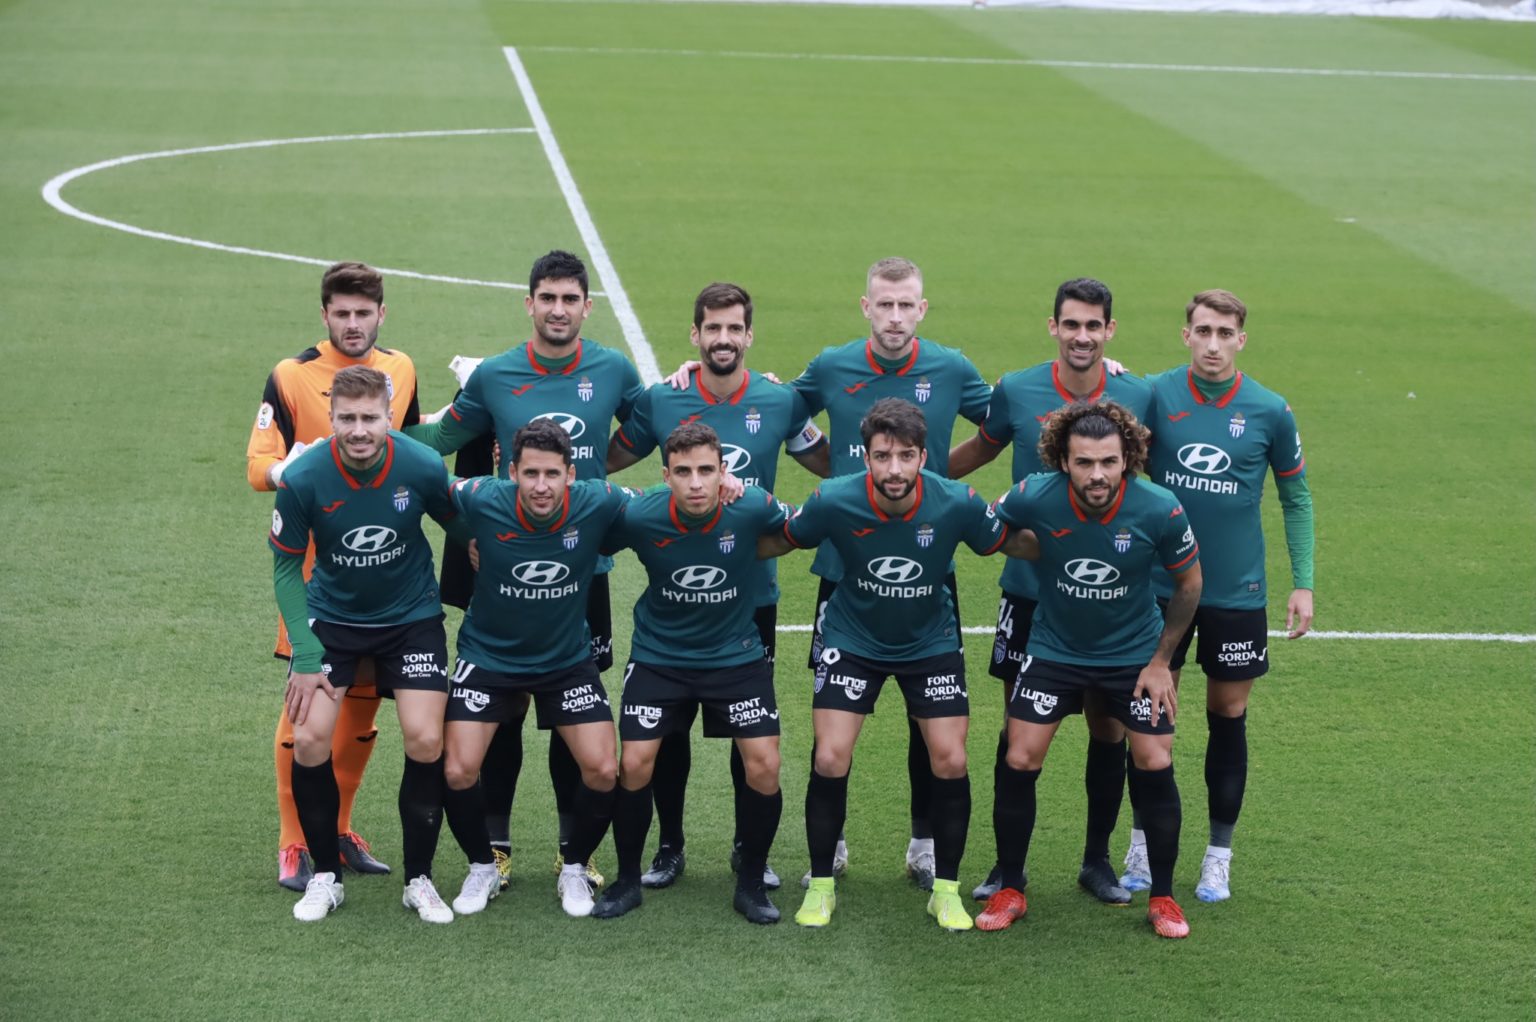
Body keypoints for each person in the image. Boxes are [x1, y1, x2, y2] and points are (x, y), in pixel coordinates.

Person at [407, 250, 642, 891]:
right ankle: (497, 848)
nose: (558, 310)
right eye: (548, 298)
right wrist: (373, 428)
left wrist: (600, 471)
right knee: (501, 711)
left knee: (574, 711)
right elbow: (444, 441)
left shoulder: (613, 368)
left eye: (570, 299)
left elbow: (652, 426)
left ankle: (573, 852)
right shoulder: (495, 374)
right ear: (529, 303)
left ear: (586, 306)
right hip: (504, 556)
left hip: (581, 566)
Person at [760, 398, 1034, 931]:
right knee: (830, 756)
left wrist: (1081, 539)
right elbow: (781, 538)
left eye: (906, 456)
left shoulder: (955, 501)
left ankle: (946, 892)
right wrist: (711, 536)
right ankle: (821, 886)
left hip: (929, 642)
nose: (894, 469)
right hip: (852, 637)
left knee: (950, 758)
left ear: (923, 457)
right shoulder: (834, 499)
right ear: (865, 457)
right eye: (882, 456)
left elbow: (1012, 543)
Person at [607, 283, 828, 891]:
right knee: (668, 731)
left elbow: (830, 466)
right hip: (678, 603)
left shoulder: (780, 400)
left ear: (749, 335)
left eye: (734, 328)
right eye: (713, 328)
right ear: (695, 335)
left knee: (748, 733)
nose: (723, 339)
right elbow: (609, 459)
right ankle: (669, 847)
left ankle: (745, 849)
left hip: (752, 598)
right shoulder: (663, 398)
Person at [784, 257, 992, 890]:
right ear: (866, 307)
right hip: (844, 566)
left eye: (906, 305)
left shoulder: (952, 368)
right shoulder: (832, 365)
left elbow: (1002, 425)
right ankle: (832, 844)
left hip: (927, 567)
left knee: (928, 721)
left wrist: (939, 477)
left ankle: (925, 844)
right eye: (885, 305)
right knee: (833, 721)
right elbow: (780, 411)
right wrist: (836, 476)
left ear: (922, 309)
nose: (895, 317)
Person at [948, 277, 1151, 905]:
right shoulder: (1017, 388)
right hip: (1030, 593)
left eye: (1093, 325)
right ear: (1053, 327)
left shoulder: (1138, 393)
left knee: (1108, 729)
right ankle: (1006, 868)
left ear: (1109, 330)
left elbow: (1157, 485)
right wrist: (920, 484)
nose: (1081, 336)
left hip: (1109, 599)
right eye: (1072, 324)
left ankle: (1097, 861)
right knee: (1018, 730)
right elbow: (979, 449)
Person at [1118, 289, 1314, 903]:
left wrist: (1303, 582)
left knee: (1228, 717)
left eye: (1225, 333)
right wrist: (1111, 373)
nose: (1212, 344)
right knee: (1150, 722)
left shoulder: (1270, 411)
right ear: (1186, 335)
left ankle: (1217, 856)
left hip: (1237, 593)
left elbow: (1296, 498)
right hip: (1160, 588)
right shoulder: (1154, 394)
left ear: (1241, 340)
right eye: (1203, 331)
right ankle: (1142, 845)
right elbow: (1101, 423)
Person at [984, 400, 1201, 939]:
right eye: (1084, 462)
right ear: (1064, 461)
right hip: (1054, 649)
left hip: (1133, 654)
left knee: (1153, 758)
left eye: (1108, 461)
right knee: (1019, 755)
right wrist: (1034, 547)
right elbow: (987, 529)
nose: (1097, 474)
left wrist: (1161, 662)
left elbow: (1190, 583)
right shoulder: (1035, 494)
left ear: (1127, 458)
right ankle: (1011, 885)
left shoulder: (1160, 508)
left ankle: (1163, 896)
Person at [246, 261, 419, 891]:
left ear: (381, 314)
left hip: (383, 582)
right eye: (341, 313)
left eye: (362, 313)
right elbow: (257, 464)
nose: (352, 323)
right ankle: (294, 842)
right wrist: (286, 470)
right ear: (324, 314)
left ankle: (339, 830)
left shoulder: (400, 370)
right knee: (307, 710)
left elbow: (415, 443)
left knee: (363, 711)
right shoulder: (291, 376)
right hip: (317, 583)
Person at [268, 365, 459, 922]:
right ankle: (325, 877)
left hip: (411, 617)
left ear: (389, 416)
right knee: (309, 739)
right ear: (330, 419)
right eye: (347, 418)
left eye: (369, 418)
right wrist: (305, 654)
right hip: (334, 619)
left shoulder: (421, 465)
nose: (358, 430)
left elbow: (463, 525)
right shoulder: (303, 477)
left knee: (426, 738)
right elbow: (286, 569)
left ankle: (419, 880)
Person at [592, 422, 795, 924]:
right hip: (660, 655)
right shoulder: (641, 514)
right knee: (634, 762)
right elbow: (586, 538)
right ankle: (627, 880)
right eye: (683, 472)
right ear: (666, 476)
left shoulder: (751, 505)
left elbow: (800, 529)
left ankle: (751, 882)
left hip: (735, 656)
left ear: (724, 471)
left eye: (707, 470)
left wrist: (755, 539)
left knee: (764, 764)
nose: (697, 483)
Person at [435, 419, 634, 919]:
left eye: (551, 474)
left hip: (566, 661)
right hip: (488, 657)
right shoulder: (482, 497)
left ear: (571, 474)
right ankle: (483, 866)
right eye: (530, 474)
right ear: (512, 472)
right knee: (457, 769)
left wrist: (728, 484)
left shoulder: (598, 500)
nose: (541, 486)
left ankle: (575, 866)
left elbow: (662, 500)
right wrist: (466, 538)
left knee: (603, 769)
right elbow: (423, 482)